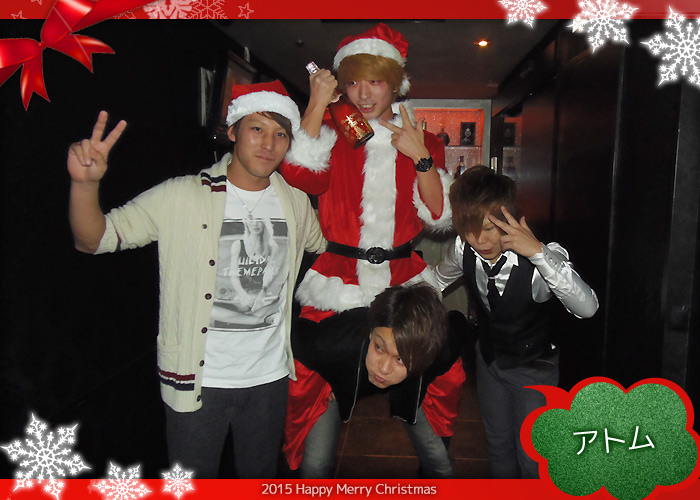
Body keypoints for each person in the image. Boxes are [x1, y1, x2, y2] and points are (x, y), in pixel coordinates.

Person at [67, 80, 326, 478]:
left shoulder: (295, 202)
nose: (268, 143)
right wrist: (85, 185)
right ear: (233, 131)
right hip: (198, 380)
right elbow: (93, 239)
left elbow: (322, 246)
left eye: (280, 134)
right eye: (257, 128)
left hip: (269, 379)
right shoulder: (182, 195)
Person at [277, 23, 466, 476]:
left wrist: (420, 155)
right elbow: (301, 174)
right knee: (310, 384)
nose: (363, 93)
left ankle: (436, 473)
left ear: (395, 85)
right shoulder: (329, 129)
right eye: (353, 82)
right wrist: (317, 102)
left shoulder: (423, 140)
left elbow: (439, 215)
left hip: (403, 281)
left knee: (440, 374)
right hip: (337, 280)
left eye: (375, 81)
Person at [433, 166, 599, 478]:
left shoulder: (542, 258)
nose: (479, 240)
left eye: (489, 228)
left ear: (509, 218)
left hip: (534, 368)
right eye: (469, 230)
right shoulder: (463, 248)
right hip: (490, 361)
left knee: (533, 458)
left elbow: (588, 308)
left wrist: (537, 252)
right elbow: (436, 281)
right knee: (498, 447)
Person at [292, 284, 467, 478]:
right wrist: (326, 378)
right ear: (370, 332)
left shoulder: (440, 352)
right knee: (315, 467)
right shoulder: (329, 344)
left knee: (441, 465)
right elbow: (294, 334)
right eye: (379, 348)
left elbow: (459, 322)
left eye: (400, 359)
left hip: (409, 384)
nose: (383, 368)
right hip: (340, 370)